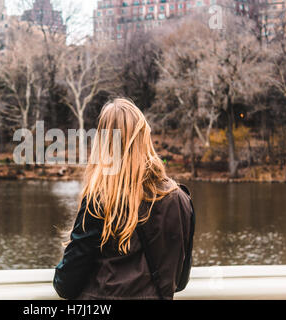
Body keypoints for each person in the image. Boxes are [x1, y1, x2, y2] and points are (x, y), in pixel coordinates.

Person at [53, 98, 195, 300]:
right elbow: (179, 281)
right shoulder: (181, 199)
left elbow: (65, 285)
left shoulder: (100, 200)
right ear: (145, 137)